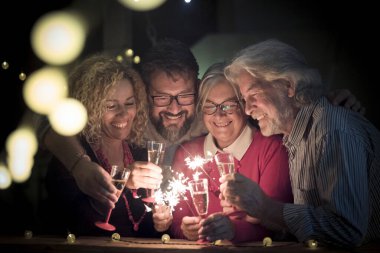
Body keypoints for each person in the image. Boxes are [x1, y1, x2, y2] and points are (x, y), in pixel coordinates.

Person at [36, 38, 364, 215]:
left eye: (185, 96)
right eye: (162, 97)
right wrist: (81, 167)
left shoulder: (211, 116)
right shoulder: (130, 120)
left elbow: (274, 107)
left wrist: (322, 99)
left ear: (198, 86)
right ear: (143, 94)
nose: (176, 108)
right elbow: (50, 130)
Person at [220, 39, 380, 247]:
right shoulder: (295, 137)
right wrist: (258, 215)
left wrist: (266, 207)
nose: (248, 109)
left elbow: (346, 230)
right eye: (244, 99)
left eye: (254, 94)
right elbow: (315, 227)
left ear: (288, 86)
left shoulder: (331, 130)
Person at [40, 54, 165, 237]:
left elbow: (145, 227)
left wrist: (161, 223)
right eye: (111, 106)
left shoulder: (140, 152)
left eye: (129, 103)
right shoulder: (72, 156)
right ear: (90, 107)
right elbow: (80, 224)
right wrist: (124, 182)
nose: (123, 114)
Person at [168, 62, 293, 243]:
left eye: (228, 105)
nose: (219, 116)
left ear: (244, 105)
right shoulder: (186, 153)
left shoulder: (272, 149)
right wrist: (188, 230)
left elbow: (276, 223)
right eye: (210, 106)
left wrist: (233, 230)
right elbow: (176, 221)